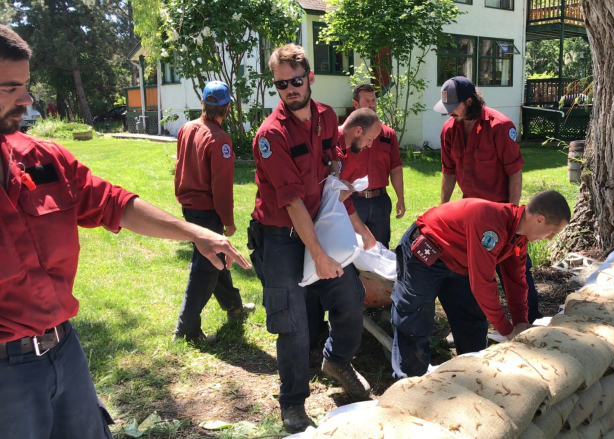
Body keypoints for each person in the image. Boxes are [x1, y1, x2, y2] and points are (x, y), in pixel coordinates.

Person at [0, 25, 252, 439]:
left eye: (26, 85)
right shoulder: (216, 136)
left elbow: (112, 202)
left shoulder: (42, 157)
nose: (27, 99)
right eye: (13, 88)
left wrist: (195, 233)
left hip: (65, 351)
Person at [246, 44, 378, 433]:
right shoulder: (270, 134)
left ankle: (337, 360)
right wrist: (318, 255)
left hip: (319, 222)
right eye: (281, 84)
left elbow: (329, 172)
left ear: (310, 79)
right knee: (293, 321)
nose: (290, 89)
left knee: (351, 298)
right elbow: (290, 202)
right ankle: (292, 402)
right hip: (281, 235)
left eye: (296, 81)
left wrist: (353, 218)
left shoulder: (325, 118)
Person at [391, 191, 571, 379]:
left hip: (460, 262)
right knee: (415, 319)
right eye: (553, 232)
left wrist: (520, 323)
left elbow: (516, 281)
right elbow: (483, 284)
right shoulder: (491, 225)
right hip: (426, 252)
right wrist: (508, 330)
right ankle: (408, 386)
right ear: (539, 220)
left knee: (472, 322)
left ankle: (472, 378)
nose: (550, 238)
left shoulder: (519, 236)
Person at [435, 75, 543, 324]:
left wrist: (513, 217)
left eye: (454, 108)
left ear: (470, 101)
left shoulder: (501, 127)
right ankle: (474, 328)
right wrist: (444, 209)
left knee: (515, 271)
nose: (449, 114)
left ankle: (531, 322)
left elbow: (514, 172)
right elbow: (448, 171)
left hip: (502, 214)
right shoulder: (449, 130)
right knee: (471, 272)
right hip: (470, 216)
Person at [173, 80, 255, 342]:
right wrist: (228, 222)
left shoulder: (186, 128)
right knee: (205, 268)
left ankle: (234, 307)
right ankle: (186, 331)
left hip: (189, 209)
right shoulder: (220, 139)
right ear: (227, 107)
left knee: (216, 259)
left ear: (203, 104)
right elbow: (221, 187)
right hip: (207, 212)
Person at [337, 83, 405, 248]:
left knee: (380, 247)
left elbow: (395, 167)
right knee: (352, 248)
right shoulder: (343, 135)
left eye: (374, 100)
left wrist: (400, 198)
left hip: (379, 200)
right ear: (356, 104)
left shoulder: (388, 134)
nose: (372, 104)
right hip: (353, 200)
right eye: (367, 101)